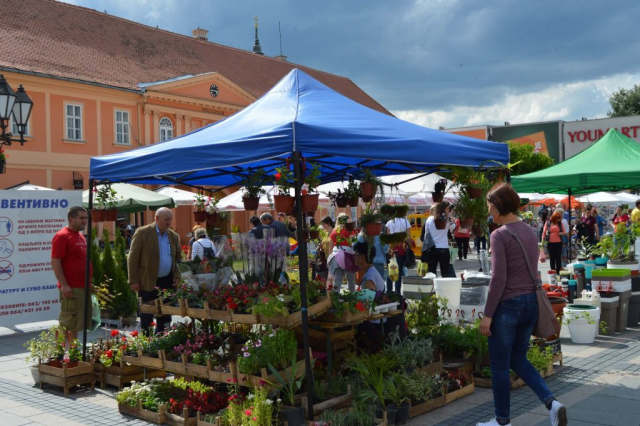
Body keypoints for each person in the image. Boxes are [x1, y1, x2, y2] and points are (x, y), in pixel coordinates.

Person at [478, 182, 566, 426]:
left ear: (497, 207)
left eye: (489, 207)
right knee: (518, 359)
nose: (488, 211)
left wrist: (487, 315)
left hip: (508, 306)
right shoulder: (528, 230)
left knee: (499, 365)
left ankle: (502, 421)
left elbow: (499, 279)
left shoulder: (499, 235)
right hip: (530, 303)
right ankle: (552, 404)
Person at [128, 207, 181, 335]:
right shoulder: (143, 232)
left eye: (170, 220)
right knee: (147, 314)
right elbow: (132, 258)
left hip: (167, 282)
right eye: (166, 220)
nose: (168, 223)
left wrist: (177, 275)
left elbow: (178, 258)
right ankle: (147, 341)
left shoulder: (173, 236)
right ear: (156, 218)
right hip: (148, 281)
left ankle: (163, 339)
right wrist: (133, 280)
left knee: (165, 314)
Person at [51, 206, 91, 340]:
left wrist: (88, 281)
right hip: (71, 287)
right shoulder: (62, 235)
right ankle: (62, 355)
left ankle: (73, 353)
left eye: (86, 218)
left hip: (81, 286)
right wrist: (64, 284)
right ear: (71, 218)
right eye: (81, 218)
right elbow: (55, 261)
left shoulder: (79, 235)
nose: (85, 221)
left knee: (76, 323)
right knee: (67, 323)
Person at [327, 214, 358, 292]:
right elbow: (353, 243)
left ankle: (335, 299)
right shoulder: (349, 230)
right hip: (348, 256)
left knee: (337, 280)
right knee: (351, 280)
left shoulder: (334, 231)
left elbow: (330, 247)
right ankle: (352, 297)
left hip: (336, 255)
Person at [385, 215, 412, 294]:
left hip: (391, 250)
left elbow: (388, 238)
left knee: (390, 270)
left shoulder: (389, 223)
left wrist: (390, 249)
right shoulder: (406, 222)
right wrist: (410, 247)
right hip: (401, 250)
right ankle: (397, 292)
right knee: (399, 272)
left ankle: (389, 292)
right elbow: (409, 238)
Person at [424, 201, 452, 277]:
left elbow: (426, 233)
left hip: (432, 248)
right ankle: (443, 288)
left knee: (431, 272)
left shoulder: (429, 219)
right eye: (447, 209)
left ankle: (432, 288)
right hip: (444, 247)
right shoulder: (447, 219)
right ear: (444, 209)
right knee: (445, 272)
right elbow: (452, 229)